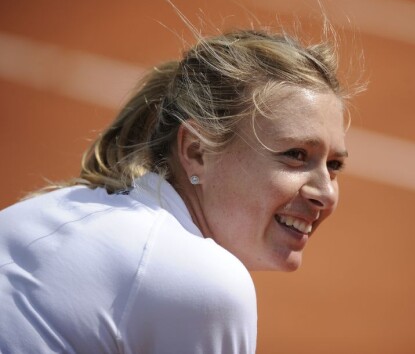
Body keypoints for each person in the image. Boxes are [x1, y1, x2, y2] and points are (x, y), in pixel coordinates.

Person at [0, 28, 351, 353]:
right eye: (295, 155)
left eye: (334, 165)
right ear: (197, 151)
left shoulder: (54, 209)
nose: (326, 193)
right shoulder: (207, 283)